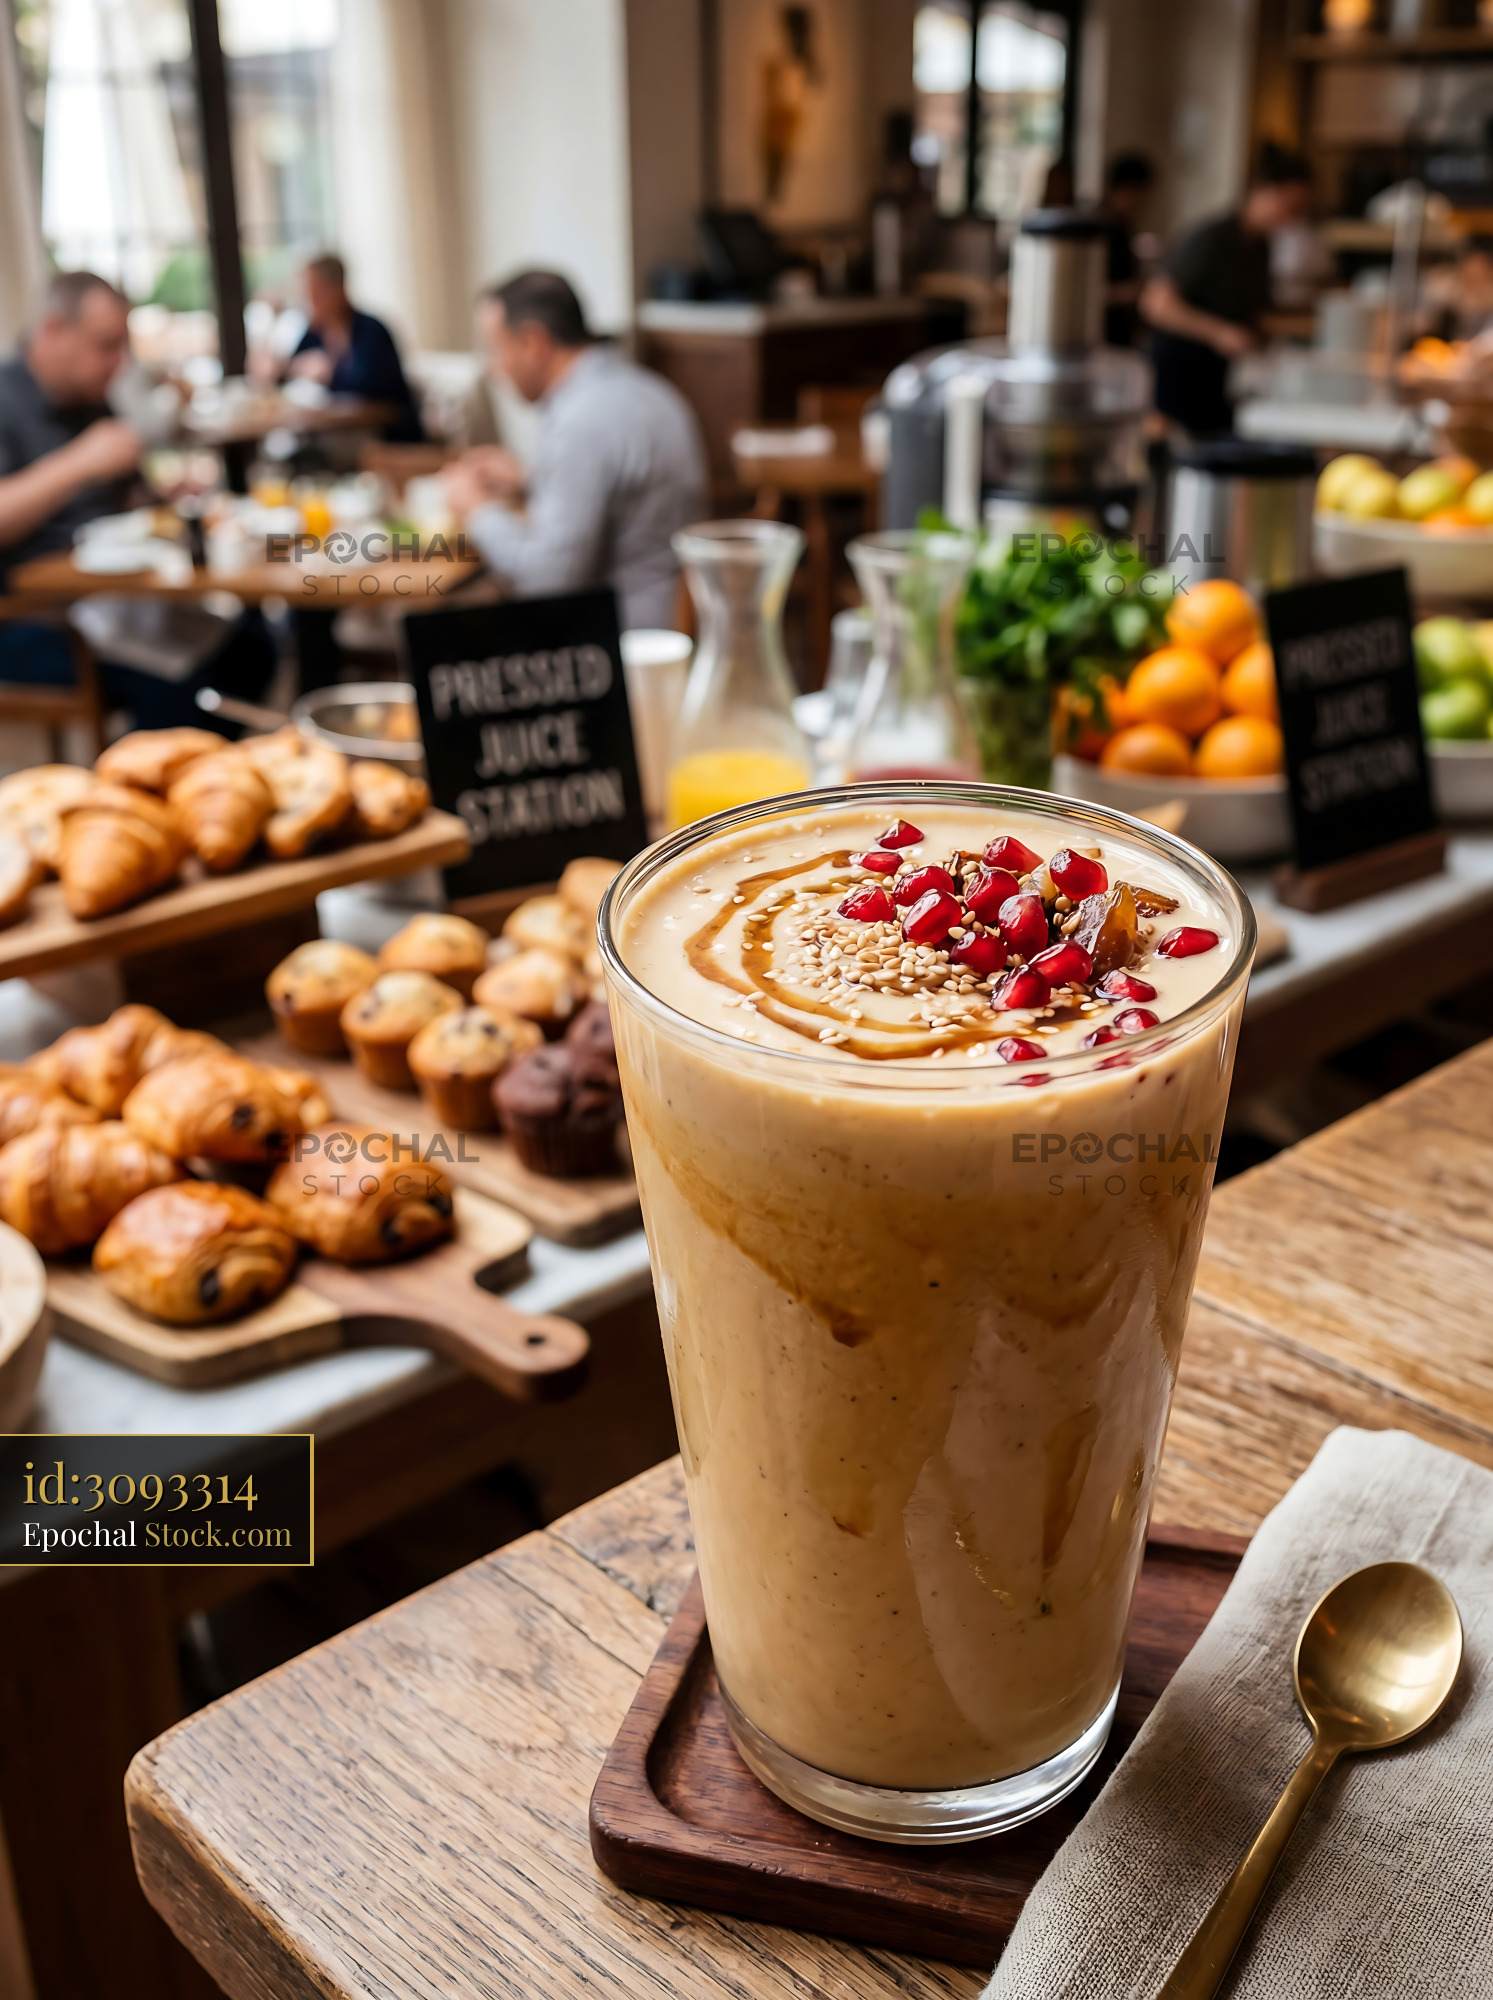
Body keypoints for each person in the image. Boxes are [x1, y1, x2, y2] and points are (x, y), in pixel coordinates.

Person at [444, 270, 707, 631]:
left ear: (534, 343)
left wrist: (477, 509)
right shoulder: (650, 391)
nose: (495, 369)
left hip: (620, 641)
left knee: (457, 628)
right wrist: (531, 482)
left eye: (497, 348)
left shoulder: (580, 423)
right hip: (677, 622)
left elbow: (547, 581)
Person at [1140, 145, 1312, 436]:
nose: (1291, 218)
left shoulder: (1261, 247)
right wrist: (1219, 332)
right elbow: (1156, 304)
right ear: (1263, 192)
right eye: (1289, 206)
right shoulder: (1213, 238)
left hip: (1216, 375)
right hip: (1179, 370)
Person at [0, 270, 142, 576]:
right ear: (53, 331)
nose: (120, 363)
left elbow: (128, 500)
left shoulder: (90, 398)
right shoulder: (6, 397)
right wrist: (82, 462)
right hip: (36, 604)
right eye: (106, 346)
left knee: (242, 619)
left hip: (119, 587)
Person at [289, 255, 424, 443]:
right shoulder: (315, 333)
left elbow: (371, 387)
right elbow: (291, 368)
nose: (308, 301)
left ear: (337, 289)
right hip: (339, 434)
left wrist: (329, 374)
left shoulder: (372, 330)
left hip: (386, 437)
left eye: (314, 292)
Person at [1100, 152, 1155, 347]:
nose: (1143, 203)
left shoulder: (1123, 226)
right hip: (1101, 336)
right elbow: (1087, 291)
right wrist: (1131, 292)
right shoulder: (1101, 228)